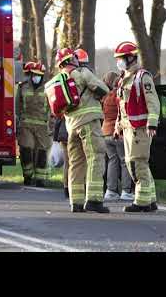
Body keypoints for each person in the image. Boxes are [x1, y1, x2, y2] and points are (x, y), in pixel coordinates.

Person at [56, 48, 110, 213]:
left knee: (76, 163)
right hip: (88, 122)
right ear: (72, 59)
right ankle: (94, 200)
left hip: (71, 126)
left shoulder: (60, 78)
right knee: (95, 157)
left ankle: (76, 202)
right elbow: (103, 88)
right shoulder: (82, 72)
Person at [113, 42, 160, 212]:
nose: (118, 62)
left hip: (140, 129)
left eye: (120, 58)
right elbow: (122, 106)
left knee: (136, 164)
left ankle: (141, 202)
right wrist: (118, 125)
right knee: (139, 164)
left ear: (131, 58)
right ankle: (151, 199)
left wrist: (152, 123)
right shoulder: (123, 78)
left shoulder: (142, 76)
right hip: (127, 128)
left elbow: (153, 101)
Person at [16, 61, 52, 186]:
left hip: (42, 126)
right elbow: (17, 106)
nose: (37, 77)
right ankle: (27, 175)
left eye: (39, 75)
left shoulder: (48, 88)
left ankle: (40, 179)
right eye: (34, 75)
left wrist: (51, 124)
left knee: (42, 151)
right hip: (26, 124)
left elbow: (52, 107)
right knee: (26, 148)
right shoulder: (23, 87)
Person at [101, 71, 134, 202]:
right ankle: (126, 191)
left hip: (105, 133)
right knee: (124, 162)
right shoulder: (119, 96)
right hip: (118, 133)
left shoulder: (106, 96)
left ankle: (110, 190)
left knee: (112, 161)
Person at [53, 116, 69, 198]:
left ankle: (66, 188)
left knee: (67, 163)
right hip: (72, 134)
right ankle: (75, 187)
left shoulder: (63, 106)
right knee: (76, 163)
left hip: (63, 135)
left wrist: (55, 138)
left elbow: (58, 121)